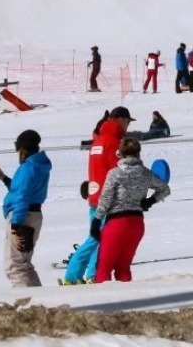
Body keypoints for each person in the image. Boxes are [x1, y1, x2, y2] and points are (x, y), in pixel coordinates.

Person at [63, 108, 131, 285]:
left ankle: (92, 274)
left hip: (95, 195)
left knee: (99, 238)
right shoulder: (114, 142)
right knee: (97, 238)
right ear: (119, 120)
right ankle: (73, 274)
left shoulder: (98, 141)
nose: (128, 126)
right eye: (127, 122)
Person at [91, 136, 170, 282]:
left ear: (120, 153)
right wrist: (149, 201)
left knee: (103, 268)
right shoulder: (146, 173)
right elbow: (165, 189)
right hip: (137, 224)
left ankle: (105, 302)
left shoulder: (115, 173)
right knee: (123, 267)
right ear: (139, 153)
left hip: (116, 223)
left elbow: (106, 199)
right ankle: (128, 297)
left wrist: (96, 221)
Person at [0, 129, 50, 287]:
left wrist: (15, 227)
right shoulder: (39, 165)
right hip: (34, 214)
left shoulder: (27, 168)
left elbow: (22, 197)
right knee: (24, 264)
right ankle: (40, 302)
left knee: (15, 267)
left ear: (23, 149)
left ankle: (26, 305)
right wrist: (4, 178)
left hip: (22, 216)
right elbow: (20, 190)